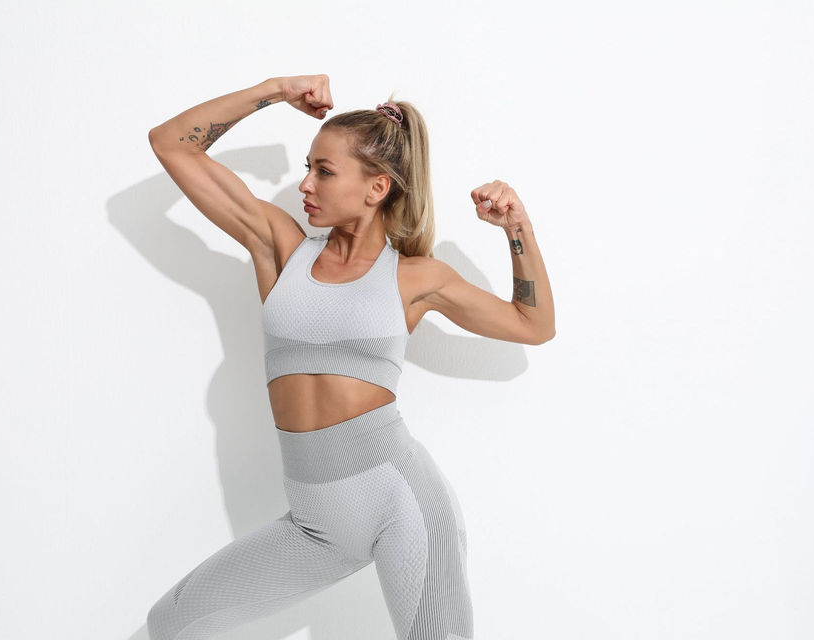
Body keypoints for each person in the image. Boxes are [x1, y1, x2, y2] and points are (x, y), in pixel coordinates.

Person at [144, 74, 556, 640]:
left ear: (377, 187)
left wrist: (516, 227)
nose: (305, 184)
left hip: (404, 504)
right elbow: (171, 144)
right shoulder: (282, 248)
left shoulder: (415, 278)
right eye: (308, 167)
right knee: (173, 622)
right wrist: (277, 90)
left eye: (324, 171)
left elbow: (533, 325)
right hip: (315, 524)